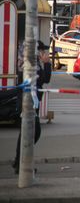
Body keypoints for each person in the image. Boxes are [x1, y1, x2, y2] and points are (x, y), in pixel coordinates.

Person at [12, 40, 52, 174]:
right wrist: (46, 63)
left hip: (31, 104)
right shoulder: (28, 66)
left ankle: (19, 162)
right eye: (41, 50)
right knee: (31, 133)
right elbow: (43, 79)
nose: (44, 52)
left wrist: (46, 63)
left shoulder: (34, 64)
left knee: (27, 134)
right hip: (26, 105)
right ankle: (21, 163)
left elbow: (44, 80)